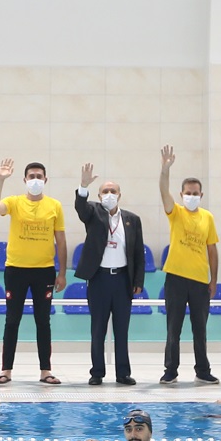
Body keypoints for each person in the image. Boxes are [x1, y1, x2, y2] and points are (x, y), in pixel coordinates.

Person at [0, 158, 67, 384]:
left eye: (39, 176)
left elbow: (61, 240)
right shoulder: (14, 202)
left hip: (44, 271)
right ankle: (6, 370)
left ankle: (45, 370)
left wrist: (62, 273)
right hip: (16, 270)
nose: (35, 180)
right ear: (24, 180)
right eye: (31, 176)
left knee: (43, 321)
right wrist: (0, 180)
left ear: (45, 180)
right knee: (12, 320)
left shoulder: (55, 206)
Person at [73, 163, 144, 386]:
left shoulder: (132, 219)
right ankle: (97, 372)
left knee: (122, 329)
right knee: (98, 329)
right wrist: (83, 186)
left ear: (120, 195)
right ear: (99, 195)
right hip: (99, 279)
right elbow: (80, 208)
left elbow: (138, 252)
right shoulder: (93, 213)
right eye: (105, 191)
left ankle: (123, 373)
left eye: (113, 191)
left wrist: (138, 281)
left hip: (123, 280)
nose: (109, 194)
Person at [157, 145, 220, 385]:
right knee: (173, 328)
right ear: (182, 194)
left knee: (200, 329)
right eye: (188, 193)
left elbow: (212, 250)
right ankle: (170, 370)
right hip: (175, 278)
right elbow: (163, 191)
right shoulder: (176, 212)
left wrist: (213, 280)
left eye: (195, 193)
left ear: (201, 195)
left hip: (200, 281)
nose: (191, 196)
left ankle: (202, 370)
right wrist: (165, 170)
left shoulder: (208, 217)